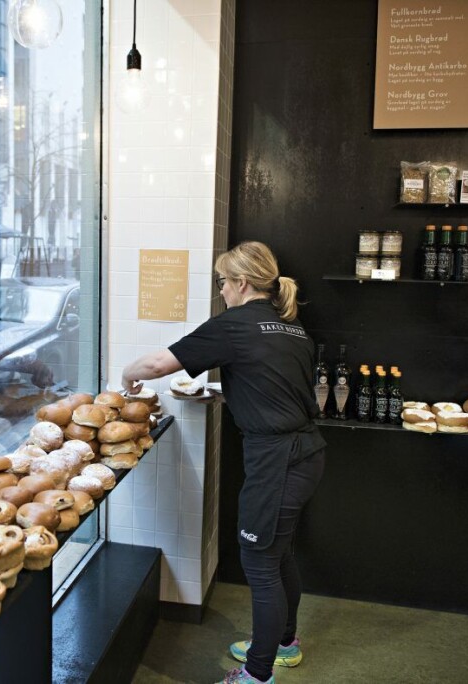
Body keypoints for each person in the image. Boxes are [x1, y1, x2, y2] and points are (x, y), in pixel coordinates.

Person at [120, 241, 326, 684]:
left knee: (260, 560)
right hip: (305, 452)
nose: (221, 292)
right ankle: (284, 643)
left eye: (222, 283)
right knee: (279, 553)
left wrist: (127, 376)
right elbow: (274, 386)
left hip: (278, 459)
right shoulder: (291, 328)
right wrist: (222, 393)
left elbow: (158, 364)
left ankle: (256, 674)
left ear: (242, 283)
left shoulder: (236, 324)